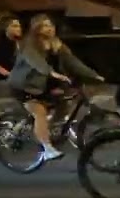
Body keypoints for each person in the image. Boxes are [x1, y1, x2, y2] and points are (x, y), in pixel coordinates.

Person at [6, 14, 105, 162]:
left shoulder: (56, 44)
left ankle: (46, 130)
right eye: (45, 26)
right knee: (39, 112)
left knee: (64, 104)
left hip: (45, 86)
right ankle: (47, 149)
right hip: (25, 86)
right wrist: (52, 73)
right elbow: (36, 62)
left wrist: (93, 75)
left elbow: (72, 62)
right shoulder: (29, 45)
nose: (50, 28)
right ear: (37, 29)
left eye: (51, 25)